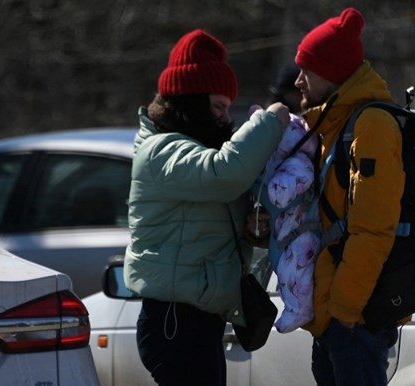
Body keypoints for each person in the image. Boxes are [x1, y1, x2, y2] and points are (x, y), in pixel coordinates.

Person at [123, 28, 290, 386]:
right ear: (190, 101)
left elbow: (216, 200)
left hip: (198, 321)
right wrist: (270, 119)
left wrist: (251, 226)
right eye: (218, 107)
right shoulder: (161, 150)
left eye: (229, 109)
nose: (226, 119)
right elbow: (223, 174)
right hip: (175, 324)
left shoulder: (190, 151)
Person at [294, 7, 405, 386]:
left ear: (330, 72)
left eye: (306, 71)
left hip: (354, 317)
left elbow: (374, 229)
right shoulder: (333, 125)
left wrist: (343, 312)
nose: (298, 81)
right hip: (334, 315)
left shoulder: (371, 126)